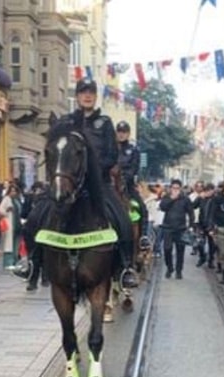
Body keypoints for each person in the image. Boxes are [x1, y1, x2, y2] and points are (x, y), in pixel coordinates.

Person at [42, 77, 139, 288]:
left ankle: (126, 266)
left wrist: (93, 170)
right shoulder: (67, 121)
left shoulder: (104, 123)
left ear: (95, 97)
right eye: (83, 92)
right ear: (77, 96)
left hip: (99, 184)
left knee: (122, 219)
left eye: (91, 92)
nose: (87, 96)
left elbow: (112, 155)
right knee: (38, 215)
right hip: (70, 183)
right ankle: (32, 262)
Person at [115, 121, 149, 227]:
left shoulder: (134, 150)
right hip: (109, 184)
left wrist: (123, 180)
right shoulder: (110, 149)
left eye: (124, 132)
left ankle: (143, 237)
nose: (121, 134)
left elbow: (133, 169)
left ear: (128, 134)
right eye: (119, 131)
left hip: (127, 185)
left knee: (142, 208)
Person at [159, 179, 194, 279]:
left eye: (177, 188)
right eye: (173, 188)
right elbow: (162, 207)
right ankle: (169, 267)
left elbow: (190, 212)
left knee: (180, 251)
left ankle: (179, 271)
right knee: (167, 249)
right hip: (168, 228)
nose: (175, 190)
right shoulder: (166, 197)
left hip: (181, 228)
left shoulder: (185, 199)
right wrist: (172, 199)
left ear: (181, 189)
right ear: (170, 189)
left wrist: (191, 226)